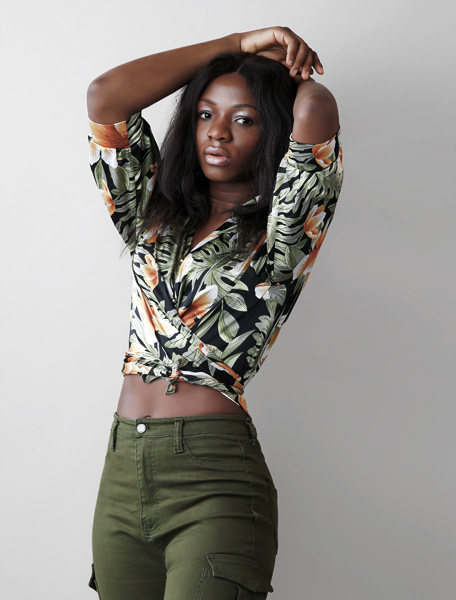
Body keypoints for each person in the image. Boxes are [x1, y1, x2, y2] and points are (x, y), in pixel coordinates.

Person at [86, 26, 343, 599]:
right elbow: (106, 97)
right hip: (123, 470)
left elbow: (315, 111)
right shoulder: (151, 210)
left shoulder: (284, 234)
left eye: (244, 120)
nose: (218, 132)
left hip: (214, 476)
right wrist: (236, 45)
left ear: (272, 130)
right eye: (205, 114)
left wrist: (289, 71)